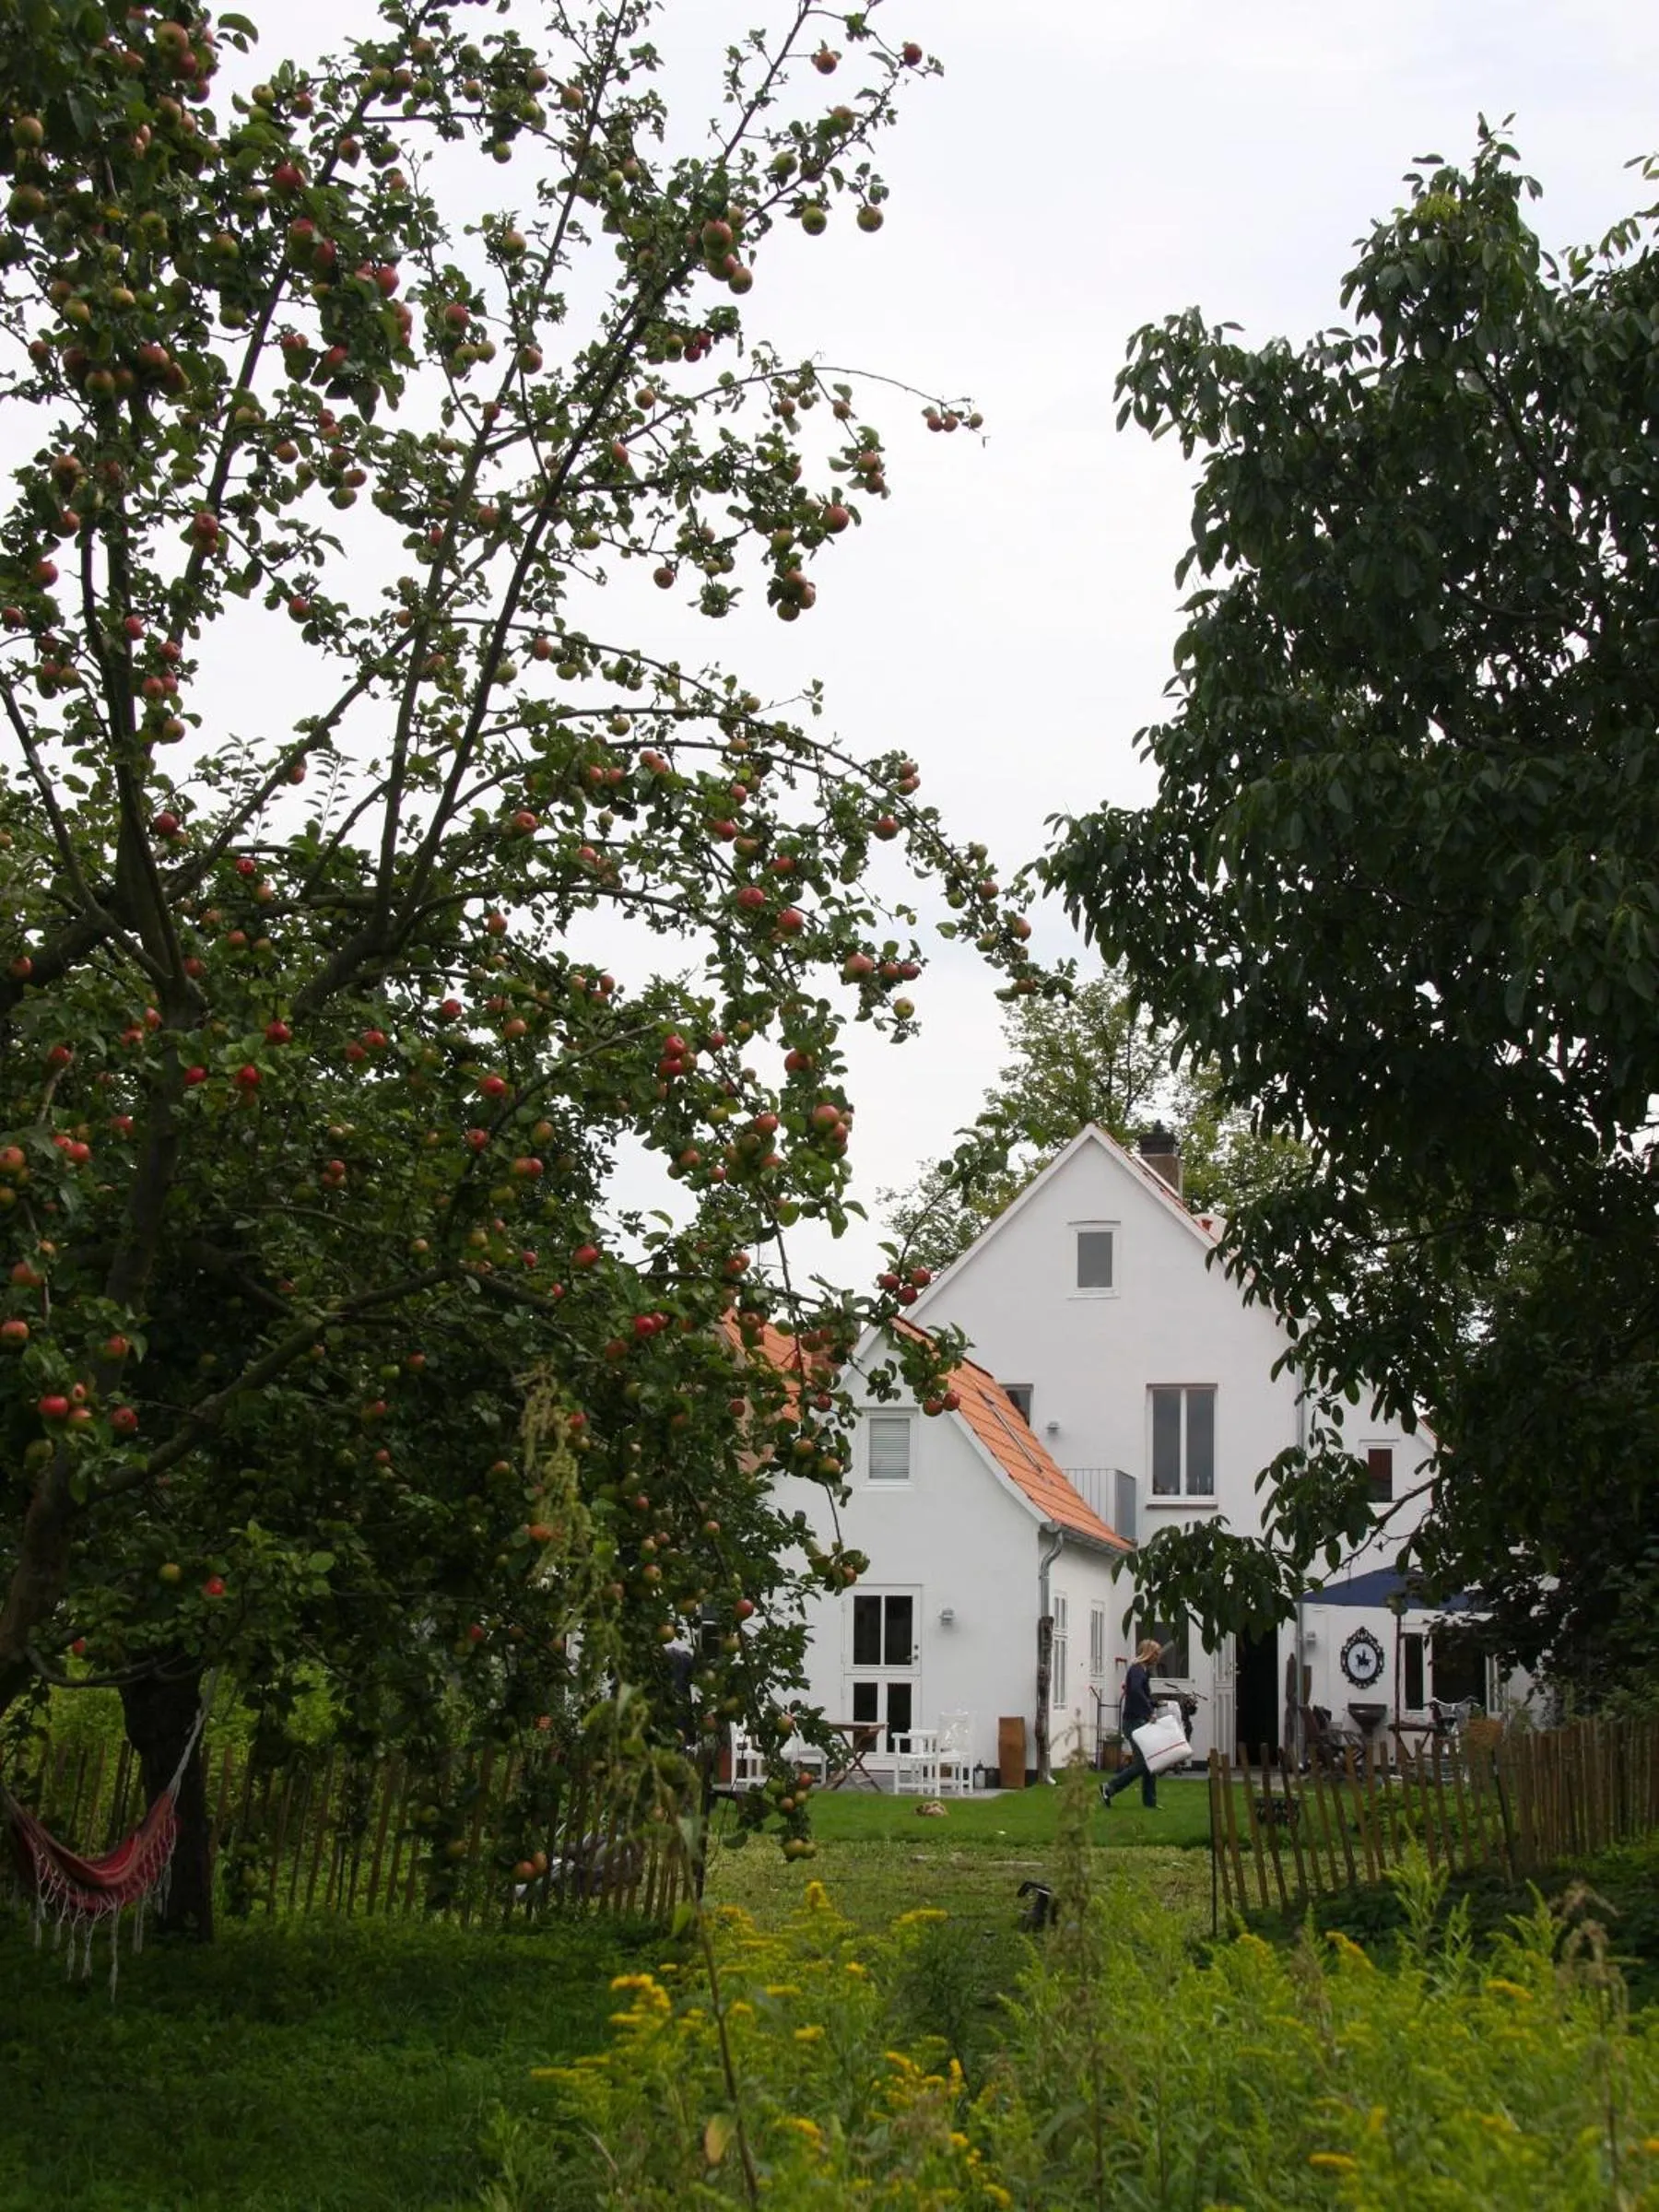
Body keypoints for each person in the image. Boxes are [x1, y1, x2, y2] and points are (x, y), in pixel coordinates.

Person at [1100, 1639, 1165, 1810]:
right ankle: (1109, 1787)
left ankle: (1150, 1802)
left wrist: (1154, 1703)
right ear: (1148, 1653)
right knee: (1143, 1762)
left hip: (1138, 1720)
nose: (1158, 1657)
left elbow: (1139, 1694)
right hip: (1134, 1722)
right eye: (1156, 1653)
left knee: (1150, 1760)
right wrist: (1149, 1711)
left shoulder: (1143, 1670)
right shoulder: (1137, 1669)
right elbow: (1135, 1692)